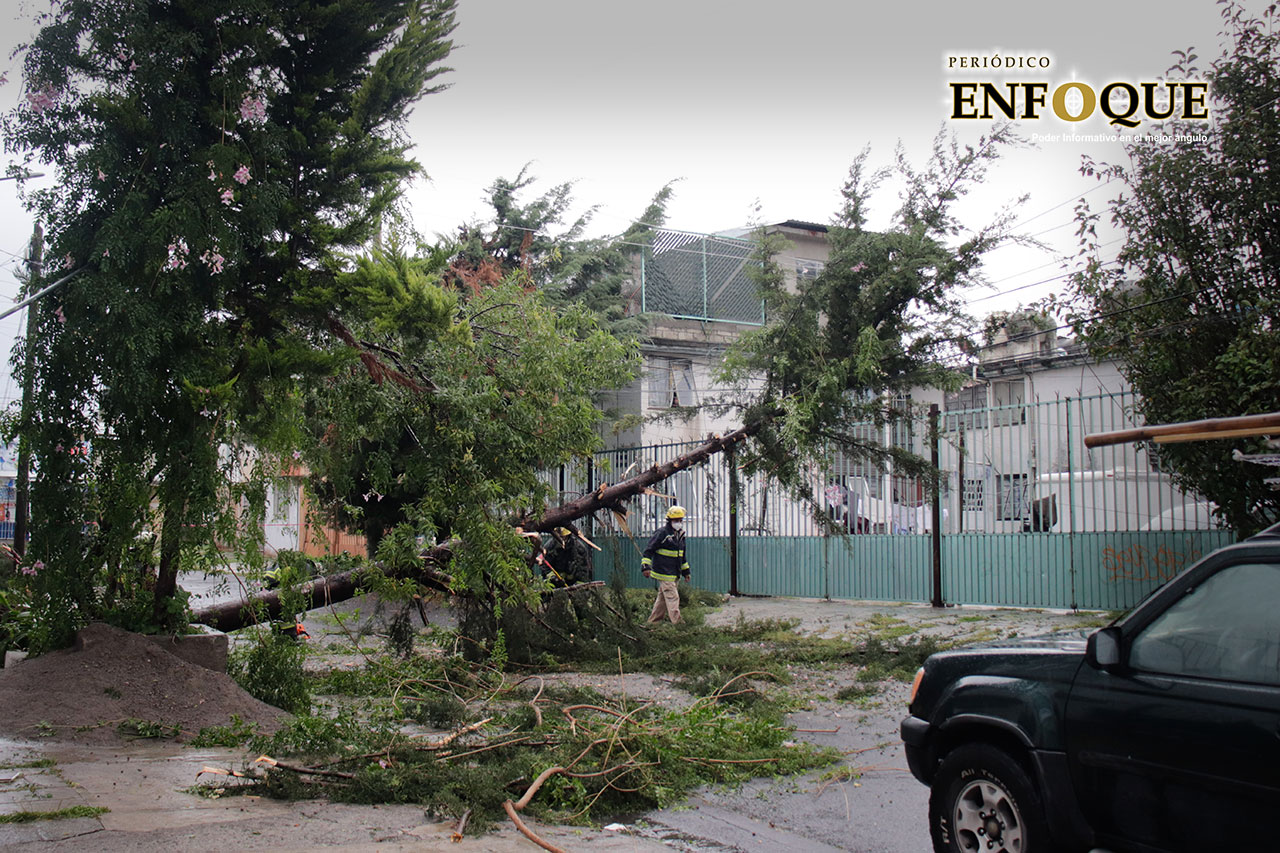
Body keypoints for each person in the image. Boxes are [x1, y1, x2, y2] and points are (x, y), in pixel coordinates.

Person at [642, 505, 690, 624]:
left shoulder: (680, 535)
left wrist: (686, 572)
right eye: (676, 520)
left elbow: (681, 556)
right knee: (673, 598)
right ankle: (679, 624)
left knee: (662, 600)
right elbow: (649, 550)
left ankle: (653, 622)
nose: (678, 523)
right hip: (664, 573)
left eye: (680, 520)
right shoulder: (662, 533)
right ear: (669, 521)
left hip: (674, 574)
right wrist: (645, 567)